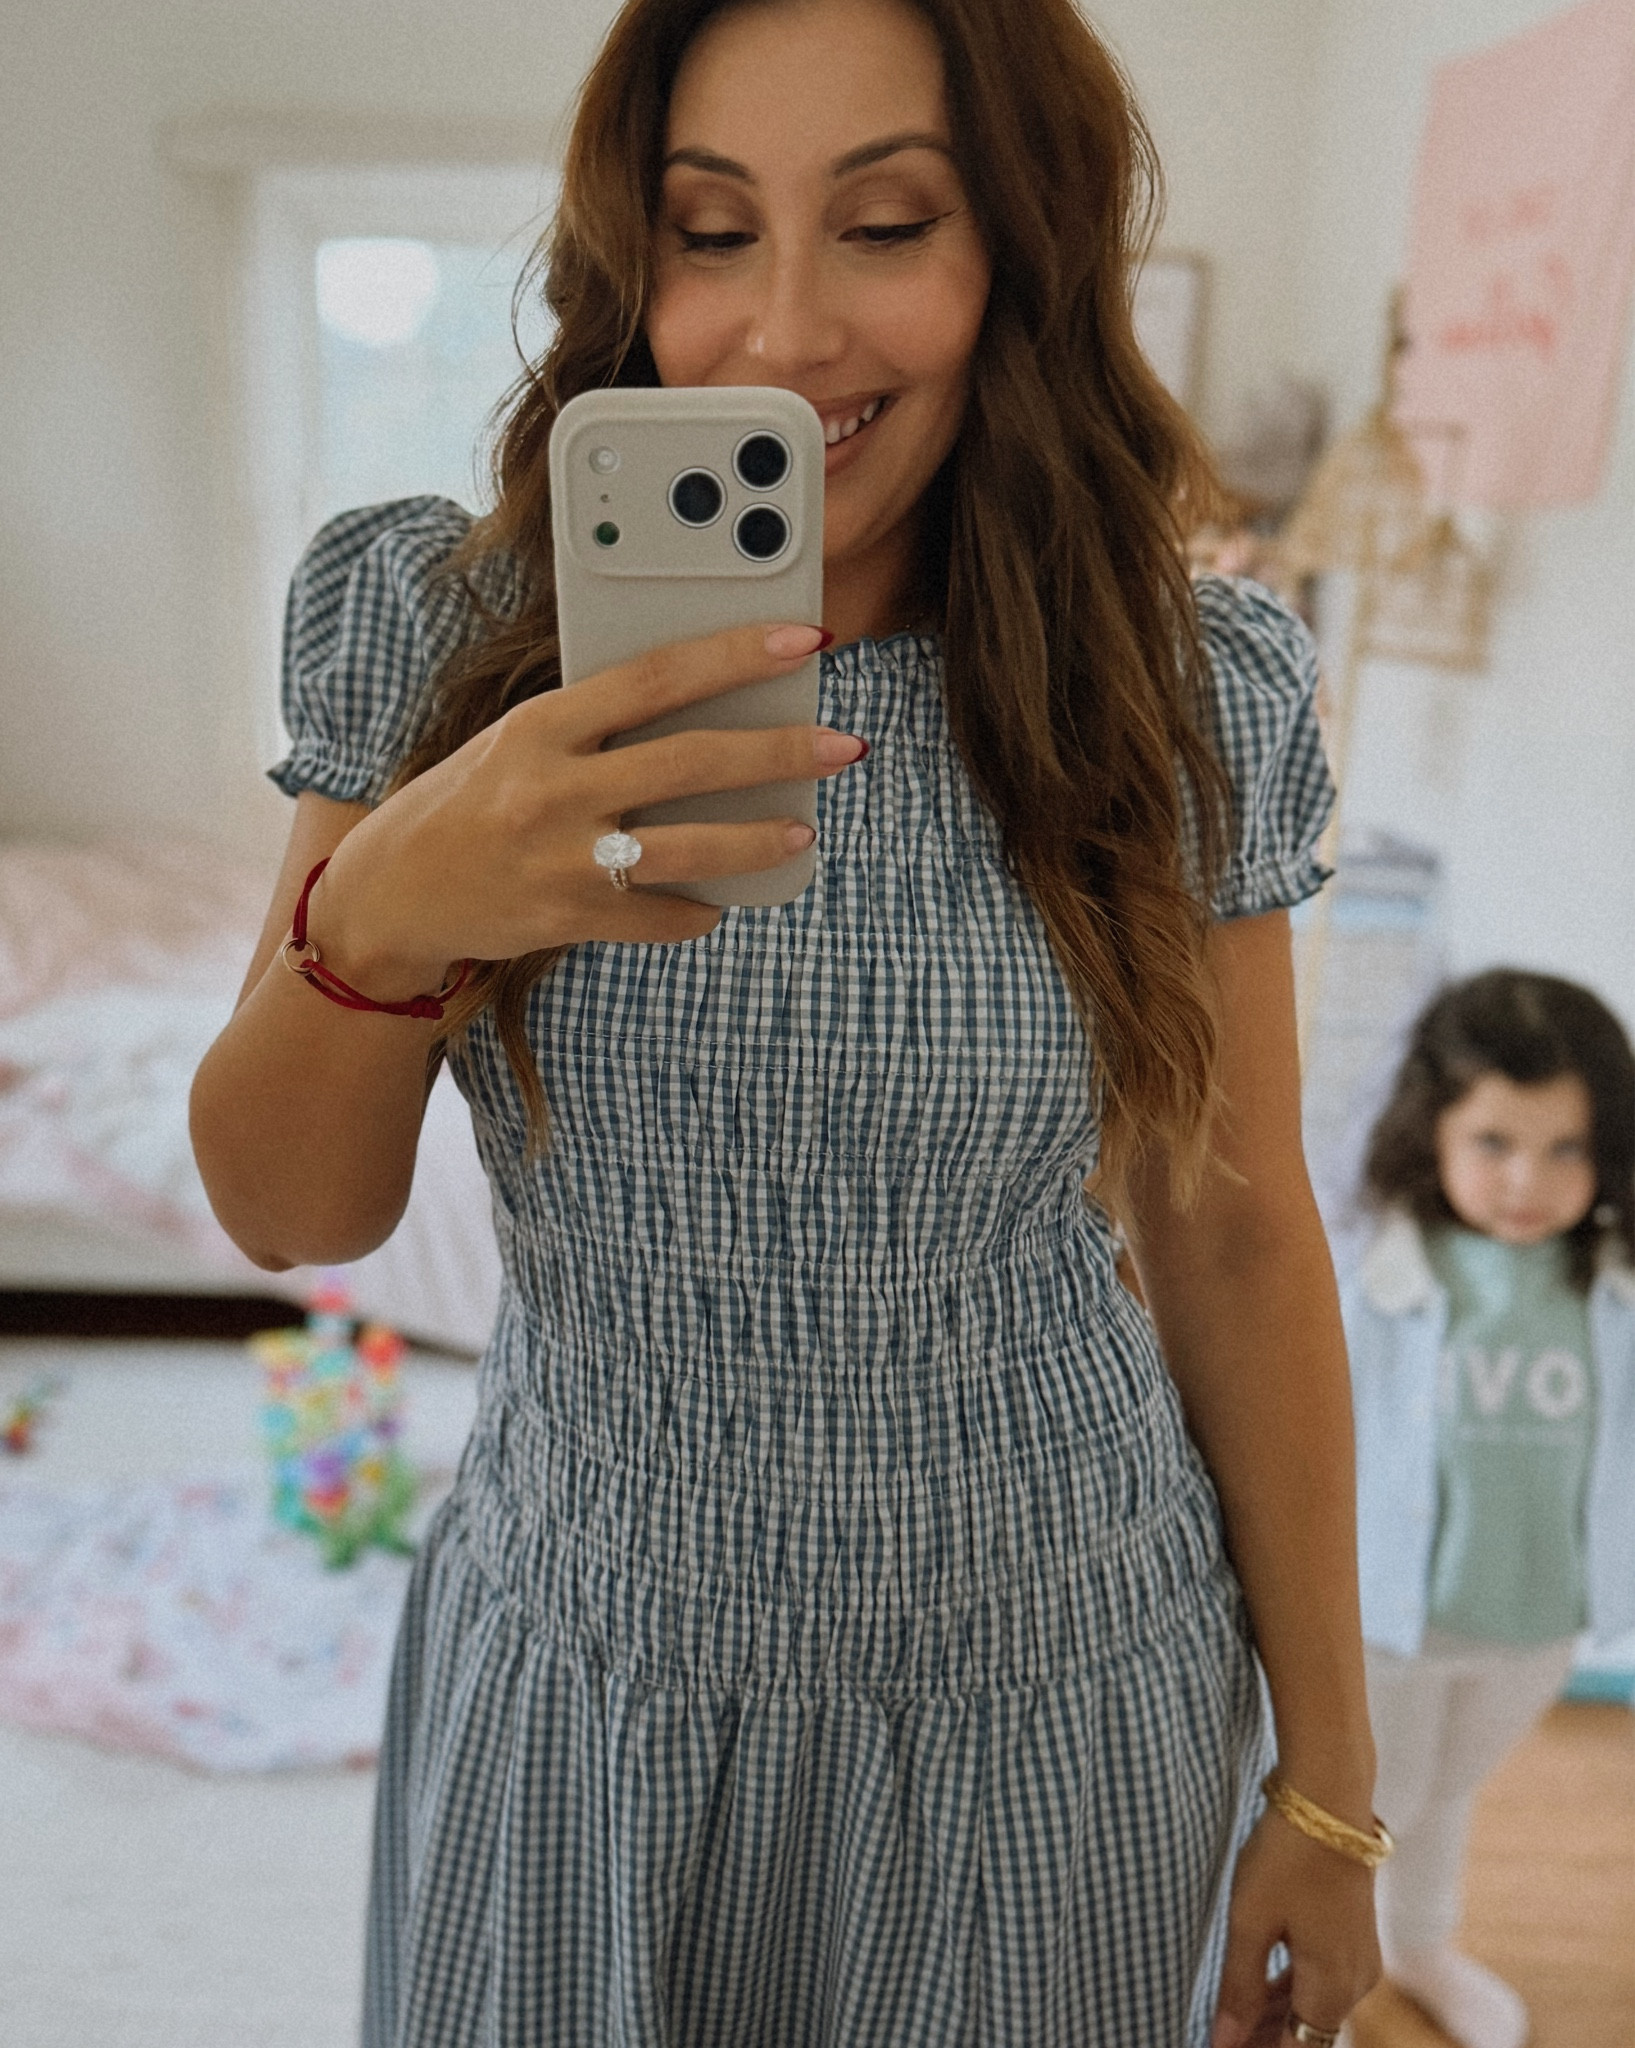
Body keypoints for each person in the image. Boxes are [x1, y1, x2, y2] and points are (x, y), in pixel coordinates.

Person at [190, 1, 1384, 2041]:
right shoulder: (438, 631)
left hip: (1058, 1696)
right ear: (616, 258)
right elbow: (291, 1211)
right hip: (588, 1682)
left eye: (888, 224)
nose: (781, 335)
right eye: (710, 230)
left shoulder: (1174, 687)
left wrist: (1334, 1790)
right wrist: (386, 900)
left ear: (1017, 248)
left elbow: (1235, 1224)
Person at [1342, 969, 1635, 2048]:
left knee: (1451, 1789)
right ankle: (1307, 1959)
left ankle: (1419, 1944)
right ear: (1434, 1133)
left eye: (1566, 1148)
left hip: (1535, 1614)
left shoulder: (1610, 1280)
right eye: (1497, 1142)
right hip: (1396, 1620)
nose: (1529, 1179)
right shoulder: (1381, 1274)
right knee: (1390, 1794)